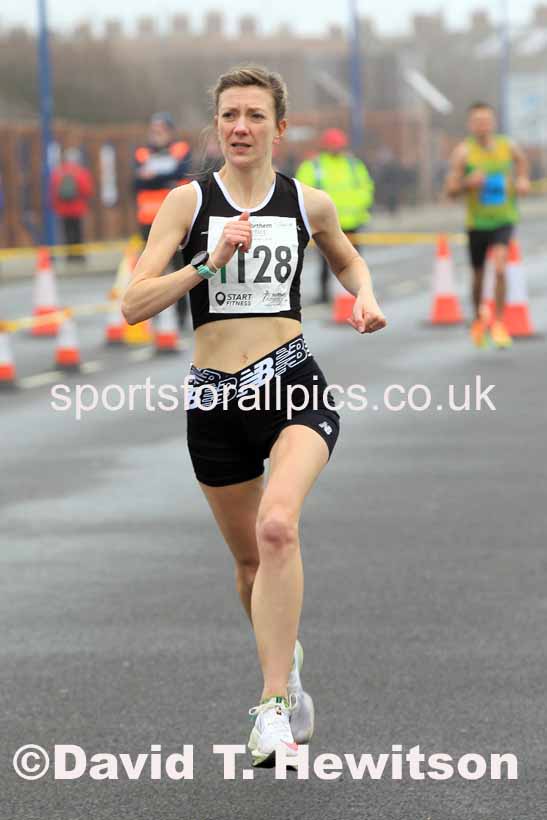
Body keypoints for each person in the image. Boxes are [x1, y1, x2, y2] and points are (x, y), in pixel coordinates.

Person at [122, 66, 386, 768]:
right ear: (217, 126)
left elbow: (348, 260)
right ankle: (289, 670)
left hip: (291, 386)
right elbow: (133, 304)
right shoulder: (186, 202)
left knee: (277, 526)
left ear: (278, 127)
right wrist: (204, 266)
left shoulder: (309, 201)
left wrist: (362, 296)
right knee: (248, 565)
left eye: (254, 116)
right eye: (229, 115)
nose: (241, 127)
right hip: (213, 399)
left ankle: (271, 709)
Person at [445, 102, 531, 348]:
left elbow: (522, 162)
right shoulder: (464, 152)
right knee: (479, 275)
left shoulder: (507, 146)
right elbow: (450, 190)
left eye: (486, 120)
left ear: (493, 122)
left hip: (504, 218)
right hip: (477, 223)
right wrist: (466, 183)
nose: (483, 125)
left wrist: (523, 179)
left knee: (501, 267)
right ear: (470, 125)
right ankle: (478, 318)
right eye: (477, 121)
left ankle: (500, 322)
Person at [296, 128, 375, 303]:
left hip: (351, 222)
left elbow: (366, 187)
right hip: (324, 224)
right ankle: (324, 294)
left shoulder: (354, 165)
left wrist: (360, 206)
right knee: (325, 262)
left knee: (353, 262)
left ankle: (358, 295)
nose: (336, 149)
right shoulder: (313, 166)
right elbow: (302, 191)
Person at [134, 112, 192, 325]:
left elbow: (181, 173)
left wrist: (154, 177)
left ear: (169, 131)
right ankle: (154, 317)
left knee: (179, 270)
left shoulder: (181, 149)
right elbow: (137, 182)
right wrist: (165, 177)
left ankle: (181, 316)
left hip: (176, 220)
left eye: (161, 129)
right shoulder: (141, 152)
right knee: (151, 272)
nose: (157, 133)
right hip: (148, 220)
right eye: (154, 129)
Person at [50, 148, 94, 263]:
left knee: (66, 232)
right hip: (78, 208)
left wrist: (56, 206)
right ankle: (78, 256)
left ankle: (69, 256)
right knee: (78, 232)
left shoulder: (58, 172)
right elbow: (87, 190)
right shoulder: (81, 172)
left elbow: (53, 191)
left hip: (63, 209)